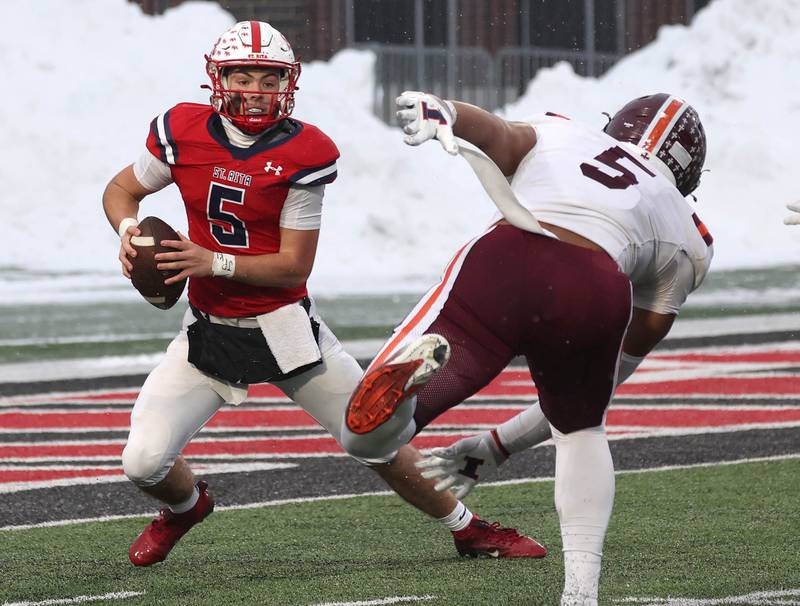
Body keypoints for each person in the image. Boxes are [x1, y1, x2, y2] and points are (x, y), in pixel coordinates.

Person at [102, 20, 544, 567]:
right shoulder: (181, 129)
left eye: (268, 78)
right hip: (208, 331)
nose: (255, 90)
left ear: (287, 83)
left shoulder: (303, 151)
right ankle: (186, 508)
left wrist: (209, 259)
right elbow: (123, 190)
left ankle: (469, 528)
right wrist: (126, 231)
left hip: (283, 326)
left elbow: (293, 267)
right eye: (243, 75)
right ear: (218, 80)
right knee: (143, 463)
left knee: (374, 441)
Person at [340, 91, 713, 605]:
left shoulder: (567, 131)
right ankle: (580, 595)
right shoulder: (691, 238)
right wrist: (497, 446)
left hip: (512, 254)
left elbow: (499, 135)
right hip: (596, 286)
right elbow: (615, 373)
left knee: (367, 440)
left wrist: (445, 110)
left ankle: (406, 392)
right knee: (582, 430)